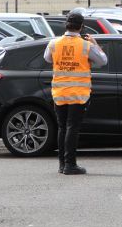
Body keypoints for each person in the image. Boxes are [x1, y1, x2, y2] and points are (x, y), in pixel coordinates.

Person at [44, 12, 107, 175]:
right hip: (79, 93)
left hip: (59, 92)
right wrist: (95, 43)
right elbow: (103, 61)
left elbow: (48, 59)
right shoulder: (86, 45)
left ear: (66, 25)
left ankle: (62, 164)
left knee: (62, 127)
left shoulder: (54, 43)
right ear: (81, 26)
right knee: (72, 127)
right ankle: (70, 165)